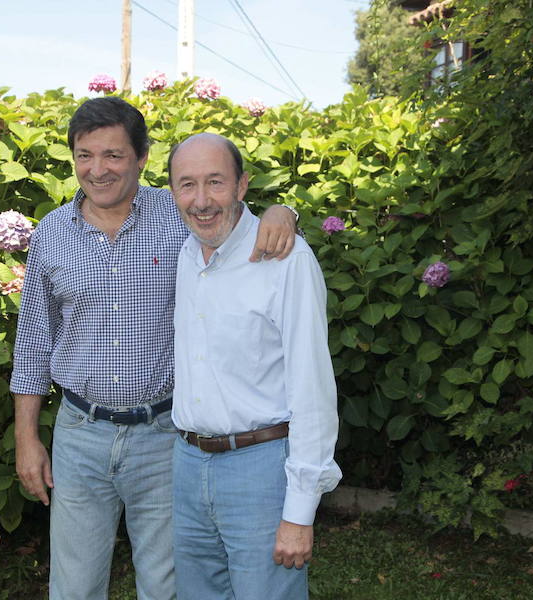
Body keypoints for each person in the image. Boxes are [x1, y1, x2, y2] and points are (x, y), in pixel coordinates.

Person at [10, 97, 297, 600]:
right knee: (74, 588)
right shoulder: (52, 233)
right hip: (79, 435)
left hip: (165, 437)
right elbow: (33, 342)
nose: (97, 170)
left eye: (113, 155)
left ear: (142, 158)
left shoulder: (179, 216)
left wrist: (284, 211)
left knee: (166, 586)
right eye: (84, 155)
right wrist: (26, 438)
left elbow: (242, 222)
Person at [168, 132, 341, 600]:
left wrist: (299, 513)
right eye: (187, 184)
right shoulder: (181, 251)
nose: (201, 200)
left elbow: (313, 391)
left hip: (261, 470)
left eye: (216, 182)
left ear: (242, 185)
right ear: (171, 193)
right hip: (186, 465)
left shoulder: (286, 260)